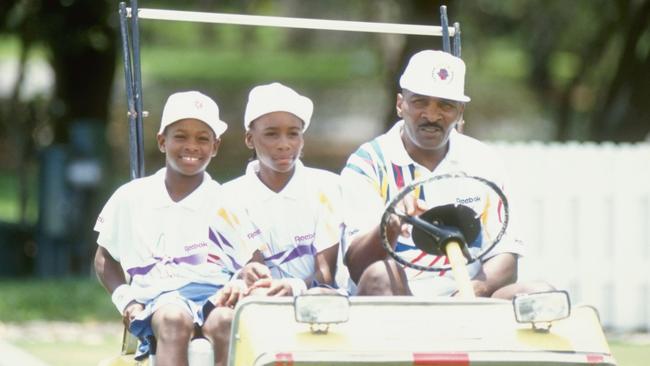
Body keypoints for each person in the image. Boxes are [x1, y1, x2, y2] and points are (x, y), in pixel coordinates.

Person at [340, 50, 551, 298]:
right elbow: (358, 267)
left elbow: (506, 256)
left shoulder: (482, 161)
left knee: (541, 293)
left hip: (467, 295)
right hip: (398, 299)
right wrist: (390, 223)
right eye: (420, 101)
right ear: (400, 104)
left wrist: (473, 290)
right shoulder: (368, 163)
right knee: (380, 274)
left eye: (446, 105)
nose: (431, 115)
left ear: (460, 112)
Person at [93, 90, 261, 366]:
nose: (192, 146)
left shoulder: (229, 201)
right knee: (173, 319)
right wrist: (127, 301)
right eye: (180, 136)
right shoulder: (131, 196)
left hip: (215, 295)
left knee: (227, 322)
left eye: (203, 138)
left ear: (215, 147)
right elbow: (104, 258)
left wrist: (242, 282)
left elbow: (254, 259)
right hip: (159, 300)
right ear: (162, 141)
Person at [221, 82, 344, 296]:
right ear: (249, 139)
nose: (284, 144)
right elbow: (255, 268)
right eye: (271, 134)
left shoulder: (328, 187)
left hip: (318, 299)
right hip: (262, 300)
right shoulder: (229, 197)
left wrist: (294, 287)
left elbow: (326, 272)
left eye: (293, 133)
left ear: (302, 139)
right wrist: (254, 278)